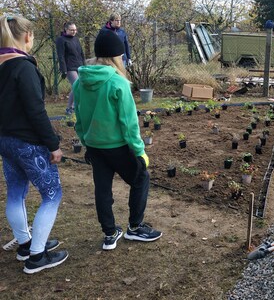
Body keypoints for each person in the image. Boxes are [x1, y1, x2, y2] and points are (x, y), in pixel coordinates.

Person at [73, 30, 162, 250]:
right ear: (116, 56)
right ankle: (135, 227)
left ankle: (110, 233)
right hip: (118, 147)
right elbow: (129, 124)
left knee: (102, 190)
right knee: (141, 179)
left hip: (94, 146)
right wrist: (140, 152)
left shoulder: (80, 82)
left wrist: (86, 141)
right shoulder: (118, 83)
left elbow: (80, 119)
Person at [0, 14, 68, 274]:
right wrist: (53, 145)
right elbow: (36, 111)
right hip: (27, 142)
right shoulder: (23, 67)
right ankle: (37, 257)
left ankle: (26, 244)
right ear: (27, 36)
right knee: (52, 194)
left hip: (5, 140)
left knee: (16, 190)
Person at [55, 21, 85, 114]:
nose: (74, 32)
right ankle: (69, 108)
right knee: (76, 85)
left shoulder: (76, 39)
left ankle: (75, 107)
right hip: (69, 67)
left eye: (75, 30)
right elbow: (61, 55)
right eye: (72, 30)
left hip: (79, 65)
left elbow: (81, 53)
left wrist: (84, 65)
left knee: (78, 87)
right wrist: (63, 69)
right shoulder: (61, 40)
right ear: (66, 29)